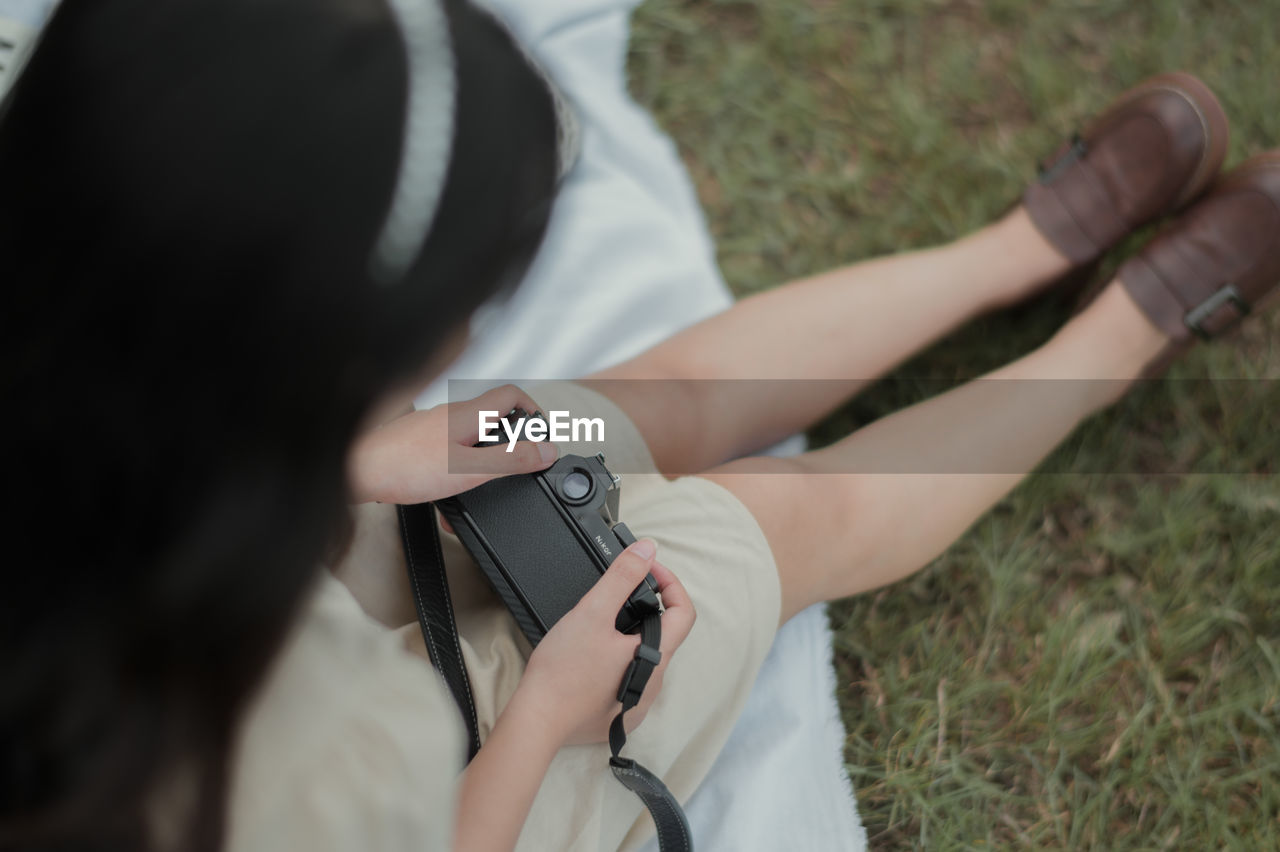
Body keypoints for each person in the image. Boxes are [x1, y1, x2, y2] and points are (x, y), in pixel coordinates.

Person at [2, 3, 1276, 852]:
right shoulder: (316, 769)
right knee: (755, 525)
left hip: (256, 531)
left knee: (616, 417)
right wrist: (547, 716)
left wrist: (359, 454)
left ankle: (1013, 253)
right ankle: (1121, 333)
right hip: (437, 785)